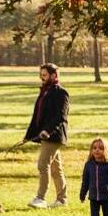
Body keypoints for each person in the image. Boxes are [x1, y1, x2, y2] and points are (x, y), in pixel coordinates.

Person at [24, 62, 70, 208]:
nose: (42, 78)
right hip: (45, 136)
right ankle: (62, 200)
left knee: (43, 165)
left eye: (44, 75)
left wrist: (47, 131)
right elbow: (37, 115)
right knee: (56, 168)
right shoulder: (44, 92)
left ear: (54, 75)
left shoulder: (61, 93)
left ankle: (40, 198)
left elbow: (60, 116)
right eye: (41, 75)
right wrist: (29, 135)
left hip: (54, 136)